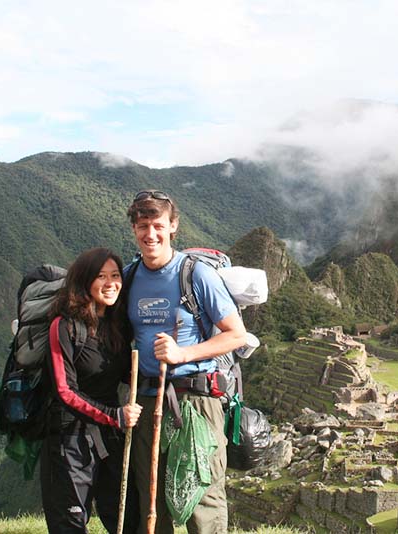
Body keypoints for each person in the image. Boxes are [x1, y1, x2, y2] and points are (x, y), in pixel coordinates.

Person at [123, 190, 246, 534]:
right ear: (134, 229)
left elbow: (236, 334)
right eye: (143, 225)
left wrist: (183, 353)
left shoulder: (195, 275)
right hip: (147, 399)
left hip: (195, 400)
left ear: (173, 226)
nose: (151, 234)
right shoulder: (130, 277)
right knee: (153, 500)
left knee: (201, 499)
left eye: (158, 225)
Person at [41, 247, 143, 534]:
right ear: (84, 280)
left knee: (126, 518)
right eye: (101, 276)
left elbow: (124, 373)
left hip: (110, 437)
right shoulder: (64, 326)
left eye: (115, 276)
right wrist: (115, 416)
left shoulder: (117, 325)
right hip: (70, 438)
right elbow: (64, 390)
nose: (111, 283)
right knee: (71, 523)